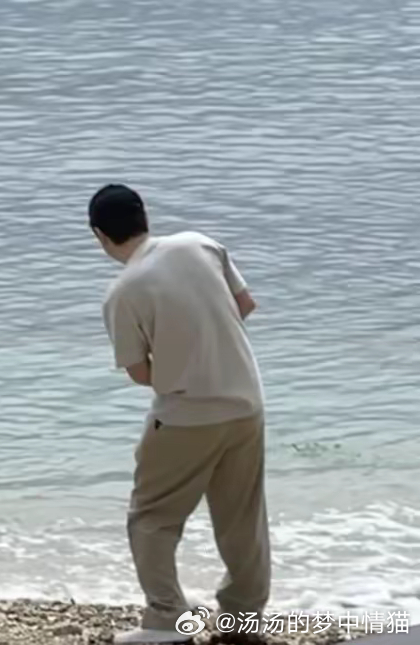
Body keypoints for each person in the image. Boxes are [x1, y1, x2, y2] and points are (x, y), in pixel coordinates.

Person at [88, 184, 269, 644]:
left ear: (99, 236)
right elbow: (244, 304)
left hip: (186, 415)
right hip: (247, 401)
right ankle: (243, 621)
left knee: (151, 516)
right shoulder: (200, 244)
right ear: (143, 216)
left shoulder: (123, 291)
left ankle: (168, 616)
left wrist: (179, 359)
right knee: (242, 516)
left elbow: (139, 372)